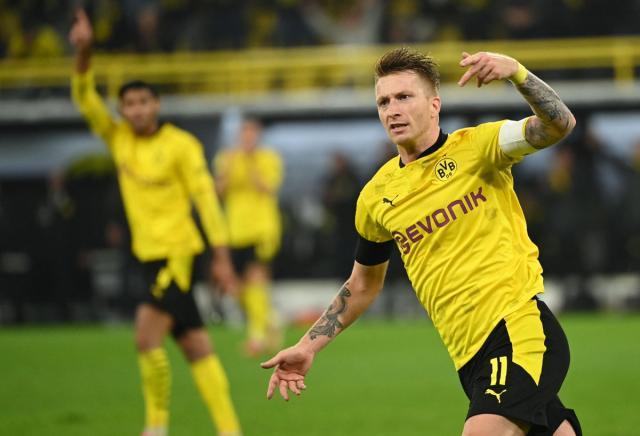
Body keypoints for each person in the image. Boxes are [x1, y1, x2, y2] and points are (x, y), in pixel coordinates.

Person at [262, 47, 582, 436]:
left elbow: (559, 124)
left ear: (434, 105)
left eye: (403, 97)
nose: (392, 110)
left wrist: (516, 72)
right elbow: (362, 285)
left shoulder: (479, 147)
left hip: (516, 329)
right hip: (467, 355)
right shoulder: (376, 196)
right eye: (383, 101)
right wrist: (307, 346)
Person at [69, 10, 242, 436]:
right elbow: (84, 98)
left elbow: (206, 200)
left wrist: (221, 257)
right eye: (129, 104)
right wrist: (85, 52)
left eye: (144, 102)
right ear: (122, 109)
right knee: (196, 346)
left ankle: (156, 427)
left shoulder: (181, 145)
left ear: (157, 105)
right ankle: (229, 429)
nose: (137, 110)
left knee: (146, 337)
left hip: (177, 253)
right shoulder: (118, 139)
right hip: (148, 256)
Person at [214, 118, 284, 357]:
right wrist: (227, 170)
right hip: (234, 230)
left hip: (262, 229)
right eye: (244, 134)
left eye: (252, 134)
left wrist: (250, 163)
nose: (248, 139)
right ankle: (270, 320)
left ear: (258, 137)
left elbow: (268, 188)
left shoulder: (268, 158)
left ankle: (257, 337)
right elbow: (218, 193)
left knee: (256, 277)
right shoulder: (226, 159)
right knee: (237, 286)